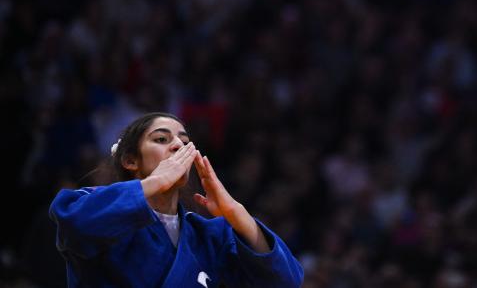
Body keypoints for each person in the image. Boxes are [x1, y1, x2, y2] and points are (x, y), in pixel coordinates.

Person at [49, 112, 304, 287]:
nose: (177, 146)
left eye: (184, 142)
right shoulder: (95, 204)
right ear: (130, 160)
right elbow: (74, 224)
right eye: (161, 139)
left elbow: (286, 281)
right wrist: (153, 183)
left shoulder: (208, 234)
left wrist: (235, 211)